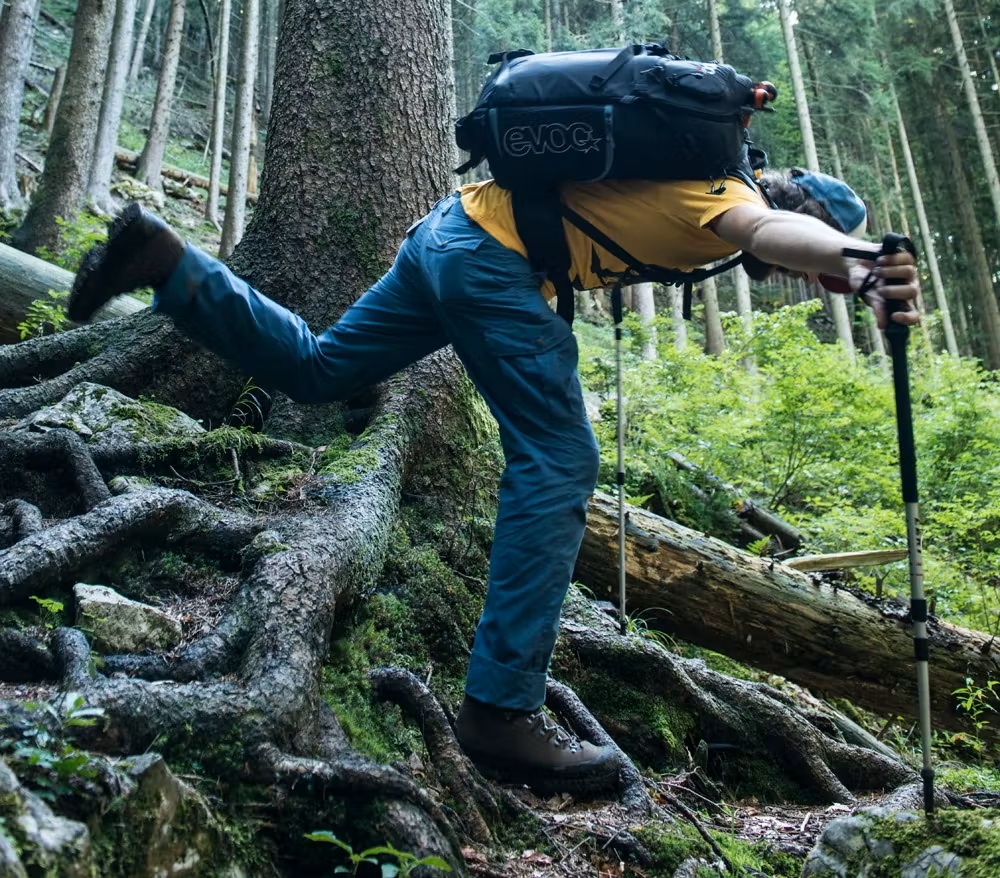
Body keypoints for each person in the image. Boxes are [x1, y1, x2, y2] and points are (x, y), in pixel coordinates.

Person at [67, 166, 921, 796]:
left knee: (321, 369)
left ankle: (169, 264)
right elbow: (769, 232)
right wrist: (854, 257)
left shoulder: (686, 171)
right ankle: (500, 716)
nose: (806, 282)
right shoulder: (727, 197)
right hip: (487, 263)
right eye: (816, 263)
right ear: (808, 211)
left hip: (445, 232)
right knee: (559, 459)